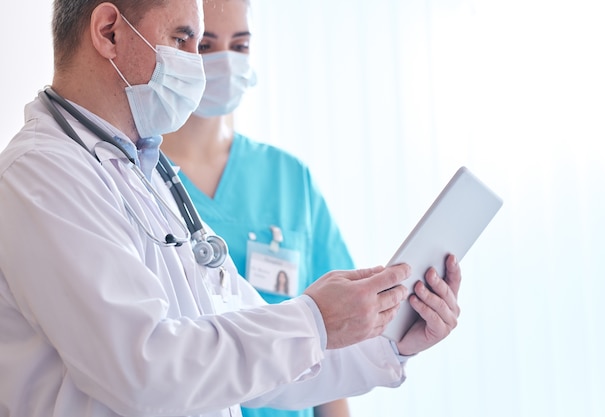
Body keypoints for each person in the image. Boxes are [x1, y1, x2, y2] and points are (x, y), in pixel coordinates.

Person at [0, 1, 462, 417]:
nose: (198, 67)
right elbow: (140, 369)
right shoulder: (41, 175)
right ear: (108, 32)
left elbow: (256, 355)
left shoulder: (147, 174)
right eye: (183, 40)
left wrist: (392, 339)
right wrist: (312, 320)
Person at [161, 2, 355, 415]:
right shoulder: (142, 180)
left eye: (241, 45)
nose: (226, 61)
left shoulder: (289, 178)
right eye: (205, 44)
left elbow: (333, 340)